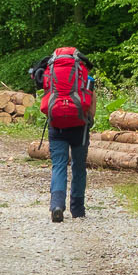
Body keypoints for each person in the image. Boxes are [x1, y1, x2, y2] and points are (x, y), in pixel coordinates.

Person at [32, 45, 94, 222]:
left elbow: (45, 94)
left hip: (57, 125)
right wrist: (89, 119)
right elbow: (91, 100)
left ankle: (57, 205)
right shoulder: (83, 72)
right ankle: (78, 209)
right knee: (79, 166)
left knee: (58, 165)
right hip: (79, 125)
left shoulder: (49, 72)